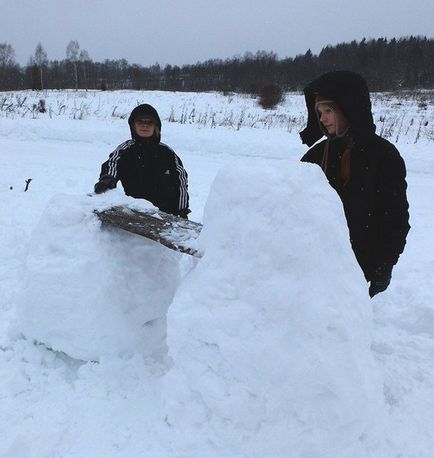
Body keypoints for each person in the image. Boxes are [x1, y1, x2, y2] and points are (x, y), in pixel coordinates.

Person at [299, 70, 410, 298]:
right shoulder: (316, 156)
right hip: (316, 267)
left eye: (328, 111)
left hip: (359, 267)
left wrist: (384, 264)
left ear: (348, 109)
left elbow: (395, 216)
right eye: (319, 112)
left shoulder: (384, 156)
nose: (322, 119)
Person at [94, 103, 190, 218]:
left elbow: (181, 182)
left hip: (166, 217)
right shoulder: (126, 150)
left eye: (149, 122)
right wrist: (107, 179)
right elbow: (112, 164)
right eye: (140, 121)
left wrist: (182, 211)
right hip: (136, 214)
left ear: (156, 127)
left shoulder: (167, 153)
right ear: (133, 125)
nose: (145, 125)